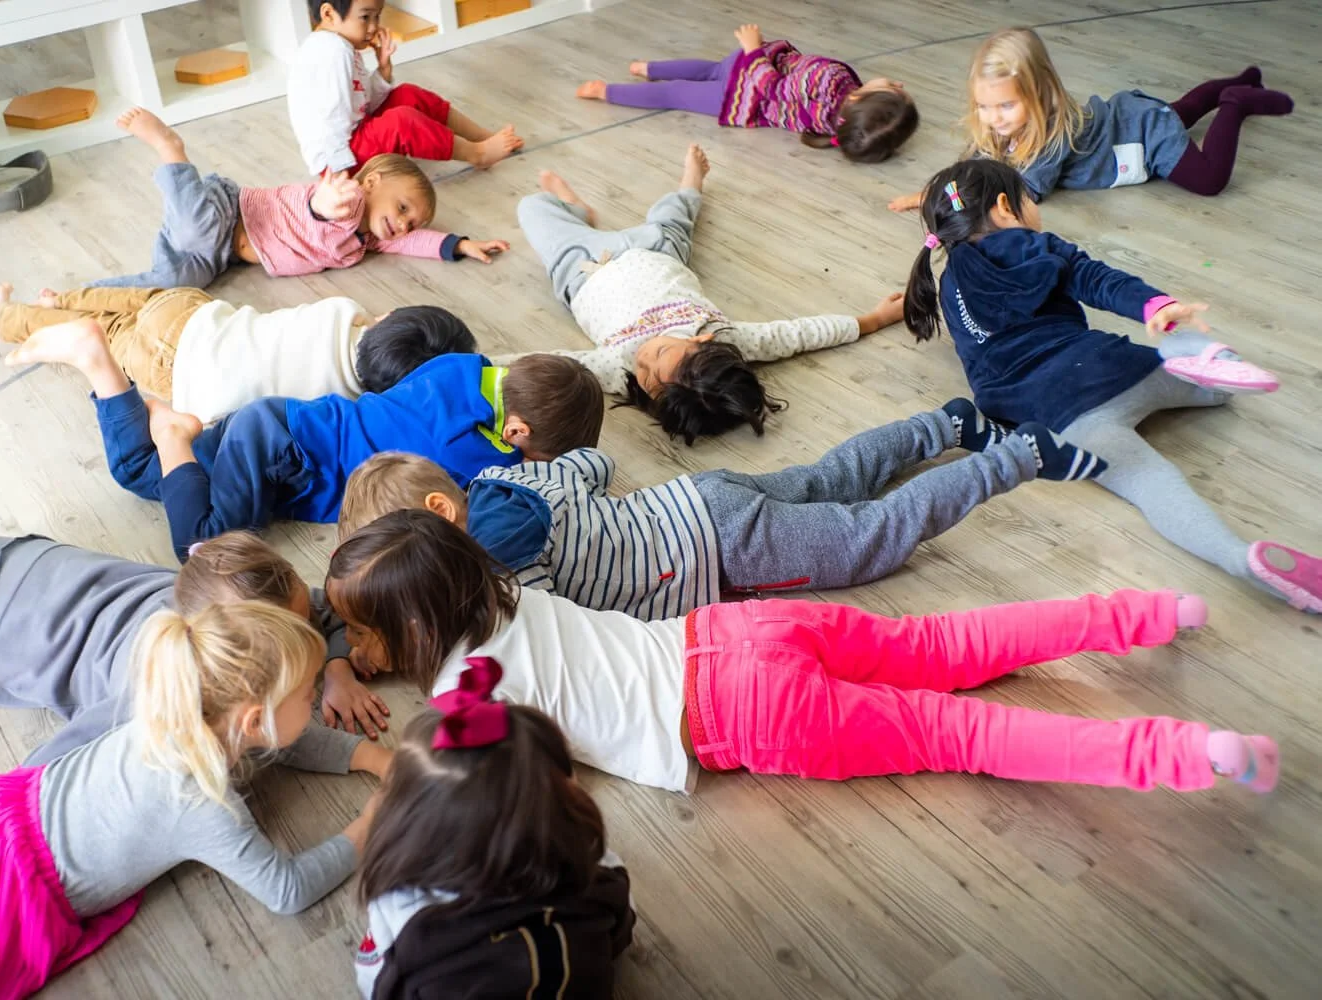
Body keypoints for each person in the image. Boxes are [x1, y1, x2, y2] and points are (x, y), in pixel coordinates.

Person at [325, 511, 1281, 800]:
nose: (354, 648)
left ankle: (1184, 756)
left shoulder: (464, 696)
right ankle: (1146, 611)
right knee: (947, 644)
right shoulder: (501, 592)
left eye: (359, 634)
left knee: (962, 734)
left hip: (738, 715)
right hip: (734, 632)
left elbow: (486, 783)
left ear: (412, 634)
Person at [0, 602, 381, 1000]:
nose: (315, 702)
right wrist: (369, 824)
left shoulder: (177, 705)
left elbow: (278, 736)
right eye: (310, 694)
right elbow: (287, 890)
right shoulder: (205, 807)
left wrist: (370, 757)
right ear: (253, 719)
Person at [901, 158, 1321, 612]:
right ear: (1005, 207)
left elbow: (981, 370)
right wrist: (1155, 305)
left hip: (1057, 416)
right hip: (1108, 367)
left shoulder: (945, 286)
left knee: (1150, 484)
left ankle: (1238, 558)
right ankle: (1203, 361)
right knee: (1211, 387)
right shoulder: (1030, 244)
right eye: (1028, 197)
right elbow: (1095, 278)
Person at [336, 398, 1106, 620]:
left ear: (443, 512)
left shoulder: (493, 556)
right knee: (831, 475)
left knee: (871, 536)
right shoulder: (516, 483)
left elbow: (535, 633)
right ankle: (943, 424)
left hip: (720, 553)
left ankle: (1021, 456)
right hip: (698, 498)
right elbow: (592, 463)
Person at [3, 317, 604, 558]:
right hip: (282, 456)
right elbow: (493, 491)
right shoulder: (474, 454)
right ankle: (173, 433)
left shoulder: (465, 369)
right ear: (518, 432)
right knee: (206, 545)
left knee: (139, 473)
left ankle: (99, 365)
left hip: (279, 421)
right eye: (536, 452)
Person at [0, 505, 398, 756]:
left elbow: (324, 613)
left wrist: (337, 665)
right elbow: (49, 767)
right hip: (2, 644)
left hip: (36, 564)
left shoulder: (223, 587)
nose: (314, 624)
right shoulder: (153, 696)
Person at [514, 143, 903, 443]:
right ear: (702, 341)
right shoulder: (728, 337)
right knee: (676, 211)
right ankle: (691, 182)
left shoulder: (619, 369)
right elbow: (797, 334)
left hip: (584, 268)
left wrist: (471, 365)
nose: (643, 359)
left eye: (645, 377)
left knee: (531, 207)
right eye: (660, 355)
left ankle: (574, 210)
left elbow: (549, 363)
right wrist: (872, 320)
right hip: (658, 249)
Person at [353, 658, 635, 998]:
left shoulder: (402, 911)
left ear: (416, 827)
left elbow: (376, 984)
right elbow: (619, 938)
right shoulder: (600, 872)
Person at [91, 107, 508, 290]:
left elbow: (417, 241)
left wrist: (460, 245)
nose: (403, 225)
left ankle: (87, 298)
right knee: (195, 229)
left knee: (175, 284)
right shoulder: (340, 196)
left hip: (221, 255)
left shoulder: (370, 239)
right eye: (401, 209)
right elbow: (312, 209)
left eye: (410, 221)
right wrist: (324, 206)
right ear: (371, 182)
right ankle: (171, 150)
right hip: (228, 211)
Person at [888, 27, 1292, 210]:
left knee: (1208, 180)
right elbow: (973, 166)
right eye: (984, 106)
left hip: (1142, 140)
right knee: (1176, 112)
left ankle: (1235, 102)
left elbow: (1025, 193)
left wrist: (963, 206)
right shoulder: (999, 123)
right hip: (1132, 118)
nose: (993, 118)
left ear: (1041, 94)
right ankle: (1242, 80)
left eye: (1006, 106)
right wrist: (934, 193)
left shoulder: (1051, 136)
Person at [0, 281, 475, 425]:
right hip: (176, 372)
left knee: (131, 302)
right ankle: (2, 322)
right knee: (107, 336)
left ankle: (57, 298)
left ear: (385, 320)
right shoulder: (344, 404)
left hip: (192, 313)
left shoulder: (344, 310)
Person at [578, 23, 917, 163]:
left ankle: (611, 89)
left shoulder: (830, 83)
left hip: (747, 87)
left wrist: (754, 50)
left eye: (894, 89)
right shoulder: (841, 121)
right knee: (702, 73)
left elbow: (772, 87)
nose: (899, 84)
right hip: (752, 71)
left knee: (679, 92)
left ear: (859, 99)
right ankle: (646, 70)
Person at [288, 0, 523, 175]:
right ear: (328, 13)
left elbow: (363, 104)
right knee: (402, 120)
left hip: (352, 141)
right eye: (365, 17)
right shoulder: (333, 53)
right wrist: (341, 177)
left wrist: (383, 70)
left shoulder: (340, 45)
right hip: (342, 160)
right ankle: (478, 154)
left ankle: (483, 138)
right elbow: (333, 120)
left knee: (407, 94)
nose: (373, 27)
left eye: (377, 17)